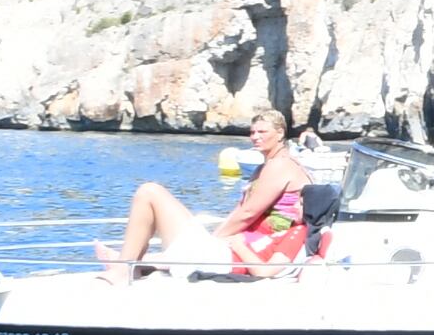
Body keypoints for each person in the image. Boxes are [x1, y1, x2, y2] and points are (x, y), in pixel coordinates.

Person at [101, 112, 309, 271]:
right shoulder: (264, 168)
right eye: (252, 132)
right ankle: (128, 263)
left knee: (149, 192)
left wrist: (213, 240)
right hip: (239, 246)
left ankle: (123, 267)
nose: (255, 137)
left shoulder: (280, 165)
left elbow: (248, 213)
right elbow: (241, 211)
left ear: (280, 133)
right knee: (149, 195)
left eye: (262, 132)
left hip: (245, 251)